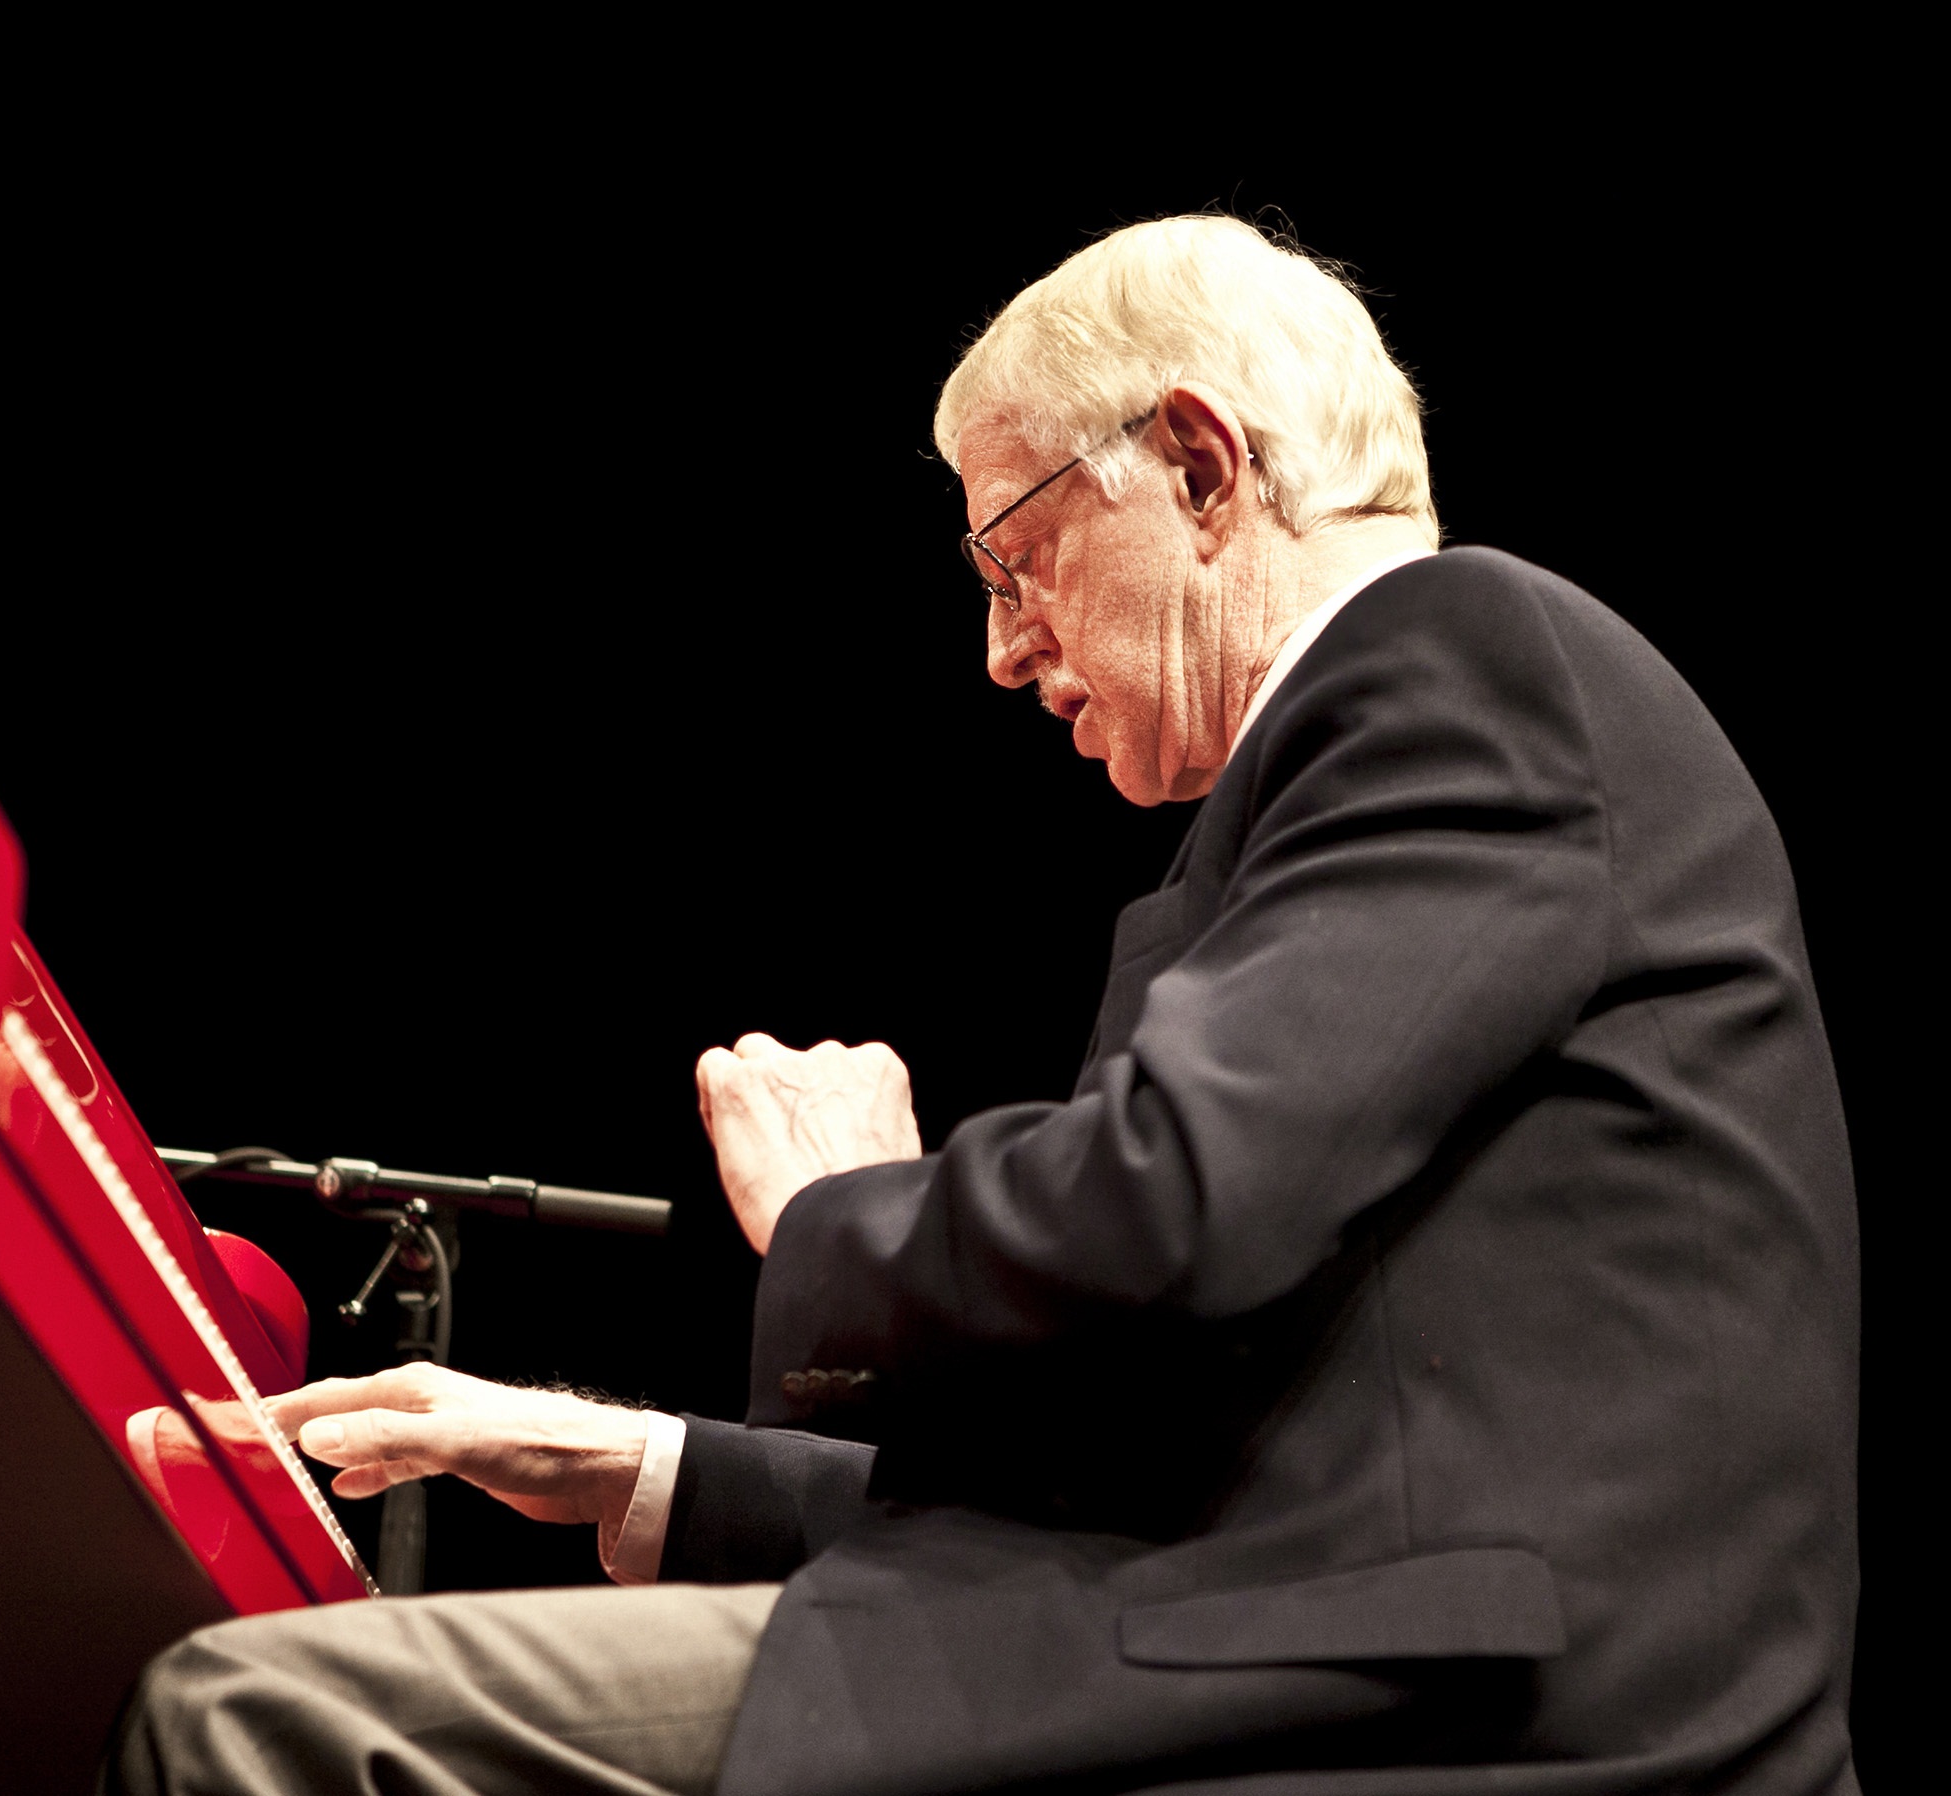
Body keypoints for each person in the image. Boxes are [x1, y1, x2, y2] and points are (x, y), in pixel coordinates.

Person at [106, 216, 1860, 1795]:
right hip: (1322, 1648)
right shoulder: (1366, 772)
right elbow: (1147, 1466)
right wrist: (636, 1464)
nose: (1003, 650)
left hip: (1456, 1712)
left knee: (257, 1715)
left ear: (1199, 466)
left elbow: (1173, 1206)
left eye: (1015, 560)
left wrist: (842, 1206)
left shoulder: (1456, 658)